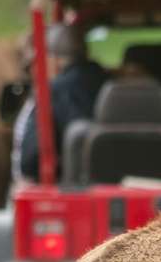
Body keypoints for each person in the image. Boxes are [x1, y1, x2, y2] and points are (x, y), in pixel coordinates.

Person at [15, 24, 110, 181]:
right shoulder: (110, 83)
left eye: (36, 62)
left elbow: (30, 161)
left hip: (74, 188)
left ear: (54, 59)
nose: (34, 71)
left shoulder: (52, 92)